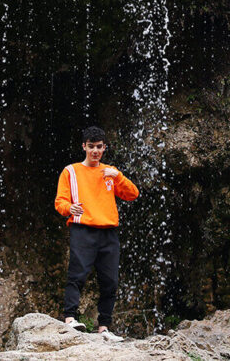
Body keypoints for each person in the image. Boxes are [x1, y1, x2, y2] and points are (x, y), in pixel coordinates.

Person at [54, 125, 139, 341]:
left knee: (110, 280)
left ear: (104, 148)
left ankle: (104, 328)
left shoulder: (110, 172)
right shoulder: (71, 171)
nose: (95, 151)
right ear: (83, 146)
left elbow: (133, 194)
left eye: (99, 147)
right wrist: (68, 209)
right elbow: (60, 201)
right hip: (82, 228)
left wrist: (118, 176)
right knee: (78, 273)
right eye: (91, 146)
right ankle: (70, 318)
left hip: (109, 231)